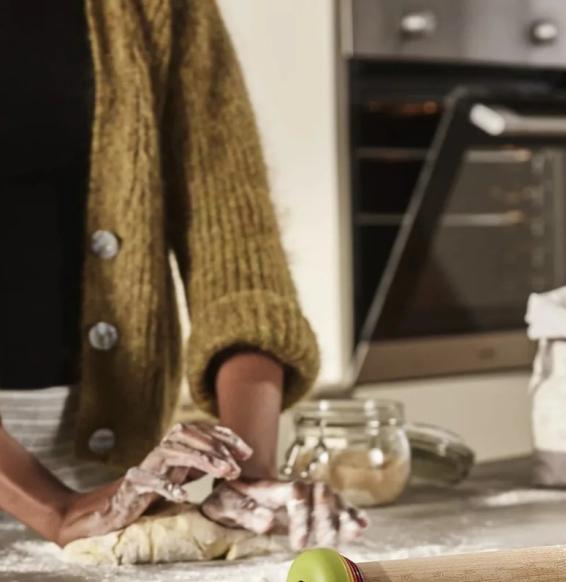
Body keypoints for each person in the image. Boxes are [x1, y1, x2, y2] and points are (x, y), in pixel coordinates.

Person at [0, 0, 362, 550]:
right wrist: (54, 508)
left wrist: (242, 474)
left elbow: (239, 262)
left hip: (118, 485)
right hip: (59, 499)